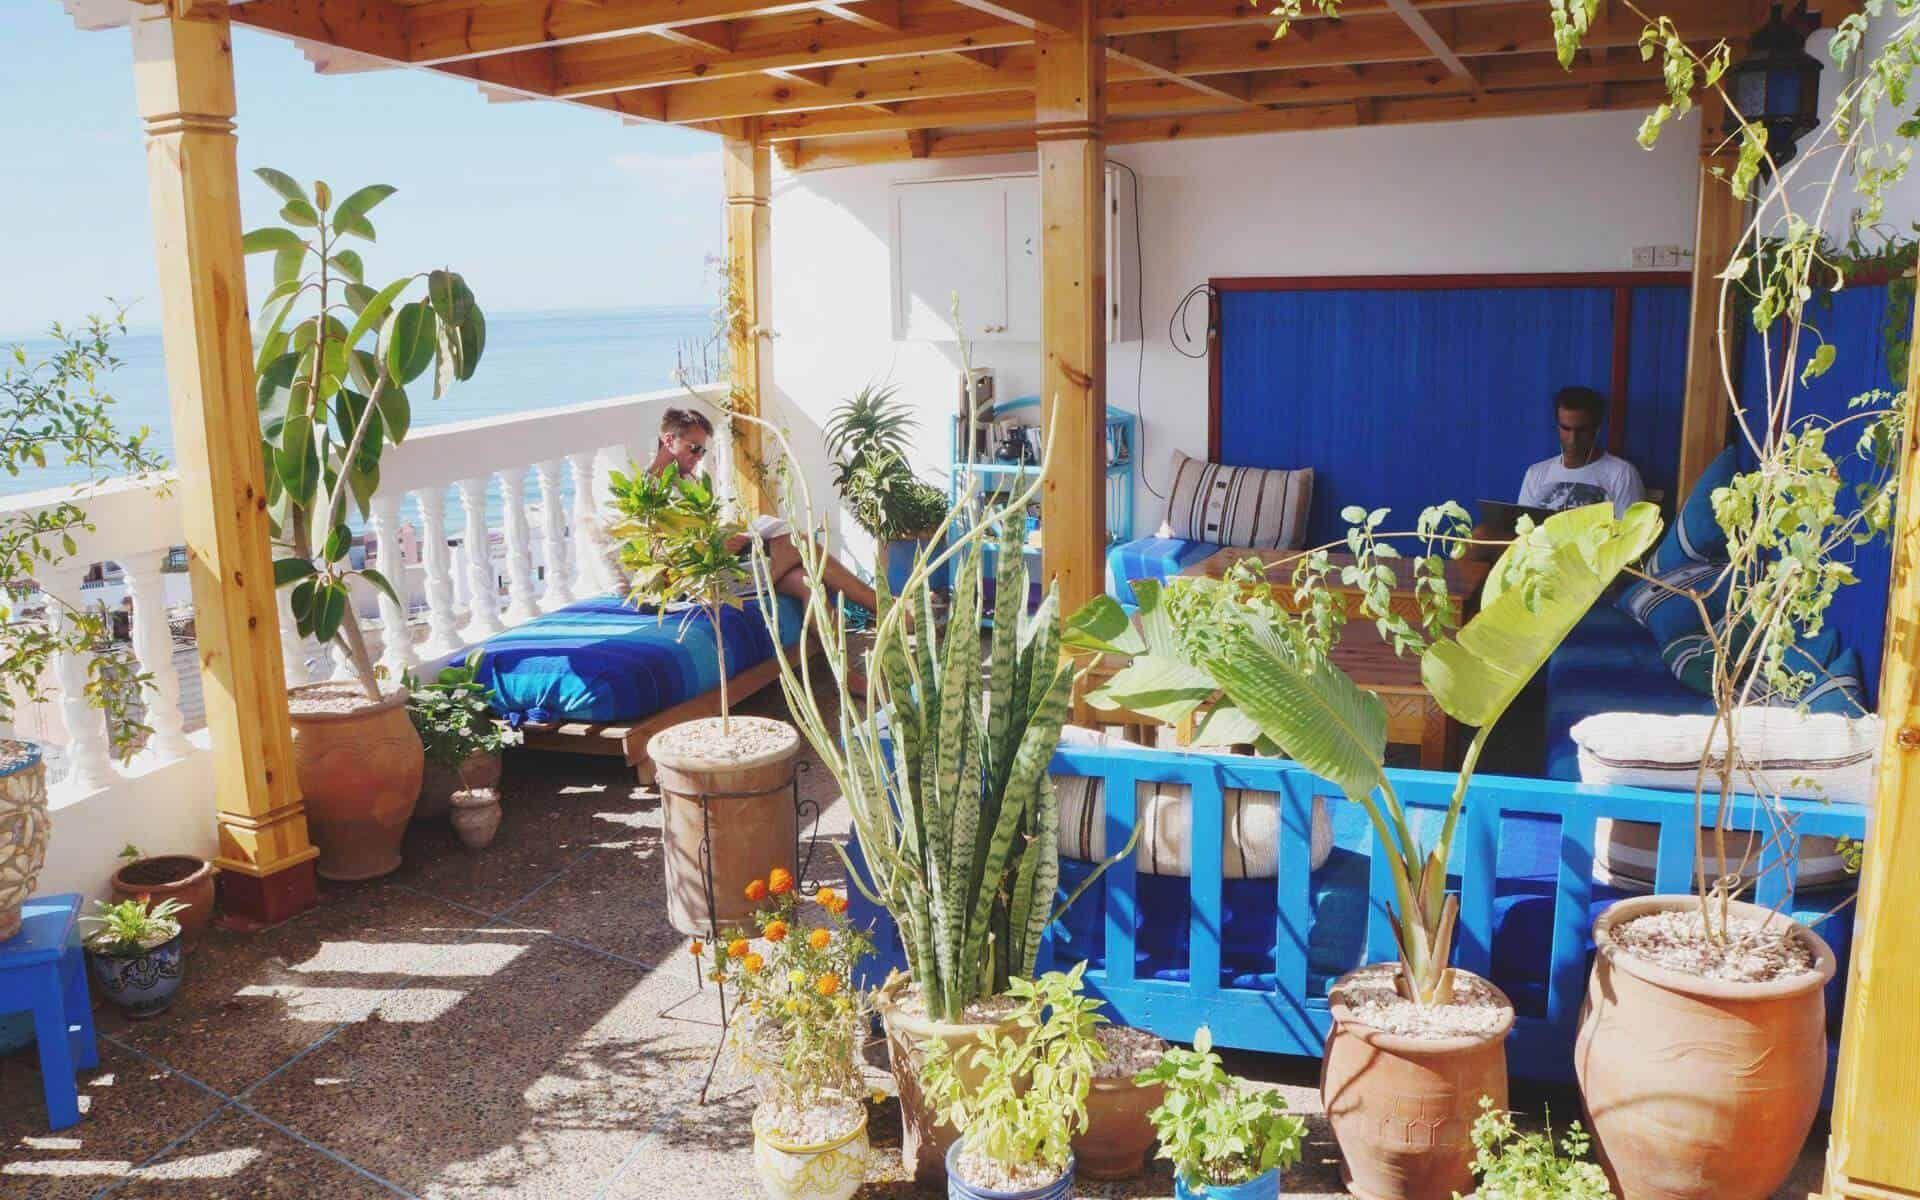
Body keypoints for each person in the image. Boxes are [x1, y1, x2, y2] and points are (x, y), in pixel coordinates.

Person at [647, 407, 882, 618]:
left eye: (702, 451)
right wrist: (715, 545)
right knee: (799, 543)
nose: (698, 457)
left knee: (807, 583)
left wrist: (729, 538)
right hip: (697, 583)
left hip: (721, 567)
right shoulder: (650, 491)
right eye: (694, 448)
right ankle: (883, 607)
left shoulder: (688, 481)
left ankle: (841, 666)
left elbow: (701, 531)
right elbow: (659, 554)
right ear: (668, 440)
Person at [1516, 386, 1645, 519]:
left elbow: (1630, 535)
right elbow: (1523, 531)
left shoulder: (1621, 474)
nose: (1573, 439)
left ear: (1596, 429)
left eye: (1581, 430)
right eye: (1566, 428)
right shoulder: (1536, 473)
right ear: (1557, 426)